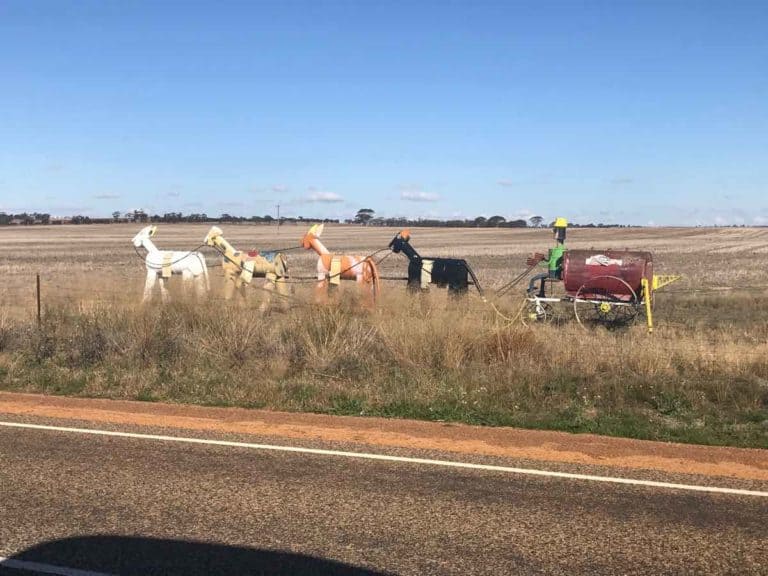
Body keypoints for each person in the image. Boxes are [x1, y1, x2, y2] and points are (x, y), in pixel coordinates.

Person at [527, 217, 567, 297]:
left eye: (555, 230)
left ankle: (532, 295)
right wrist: (543, 259)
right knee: (542, 278)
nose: (554, 232)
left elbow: (550, 263)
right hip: (557, 272)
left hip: (554, 274)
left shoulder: (557, 250)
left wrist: (537, 263)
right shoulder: (562, 248)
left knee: (533, 279)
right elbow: (552, 261)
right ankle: (542, 294)